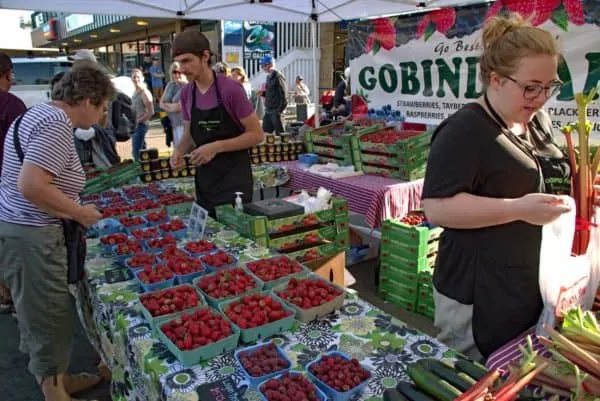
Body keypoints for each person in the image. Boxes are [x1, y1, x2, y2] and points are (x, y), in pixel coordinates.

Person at [422, 13, 572, 361]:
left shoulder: (538, 122)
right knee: (471, 378)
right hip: (478, 293)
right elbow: (437, 208)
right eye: (530, 86)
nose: (541, 97)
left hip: (527, 284)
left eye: (549, 87)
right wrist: (517, 208)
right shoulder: (465, 131)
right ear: (496, 79)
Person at [0, 62, 114, 401]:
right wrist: (78, 212)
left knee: (42, 311)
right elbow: (31, 185)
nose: (103, 115)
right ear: (88, 100)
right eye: (103, 107)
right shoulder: (55, 124)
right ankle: (55, 394)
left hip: (20, 229)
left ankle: (59, 381)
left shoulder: (35, 114)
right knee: (47, 315)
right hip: (32, 235)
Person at [170, 30, 264, 217]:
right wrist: (179, 152)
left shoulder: (231, 90)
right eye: (179, 62)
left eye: (187, 60)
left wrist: (216, 147)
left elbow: (256, 134)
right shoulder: (187, 93)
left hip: (234, 183)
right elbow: (189, 135)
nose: (181, 68)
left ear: (205, 56)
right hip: (205, 182)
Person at [0, 52, 26, 315]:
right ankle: (15, 298)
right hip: (8, 185)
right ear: (8, 74)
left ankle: (4, 294)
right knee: (10, 246)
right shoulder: (11, 105)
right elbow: (23, 154)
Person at [160, 62, 188, 147]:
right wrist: (171, 106)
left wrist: (167, 105)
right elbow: (161, 103)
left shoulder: (186, 86)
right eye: (174, 72)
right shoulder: (170, 85)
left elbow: (179, 107)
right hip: (172, 123)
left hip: (182, 123)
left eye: (179, 72)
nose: (177, 75)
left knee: (183, 150)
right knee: (176, 149)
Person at [259, 55, 287, 134]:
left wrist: (279, 111)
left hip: (276, 111)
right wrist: (263, 93)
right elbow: (270, 93)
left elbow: (284, 95)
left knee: (281, 136)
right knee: (265, 135)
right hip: (268, 110)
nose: (262, 67)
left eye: (263, 65)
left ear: (270, 64)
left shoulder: (278, 76)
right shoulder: (268, 77)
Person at [131, 68, 154, 161]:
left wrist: (138, 121)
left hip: (141, 125)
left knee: (137, 152)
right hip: (136, 126)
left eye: (138, 77)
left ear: (142, 78)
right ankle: (145, 173)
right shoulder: (135, 92)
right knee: (142, 152)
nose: (136, 79)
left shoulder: (144, 92)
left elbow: (151, 112)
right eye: (134, 77)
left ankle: (140, 173)